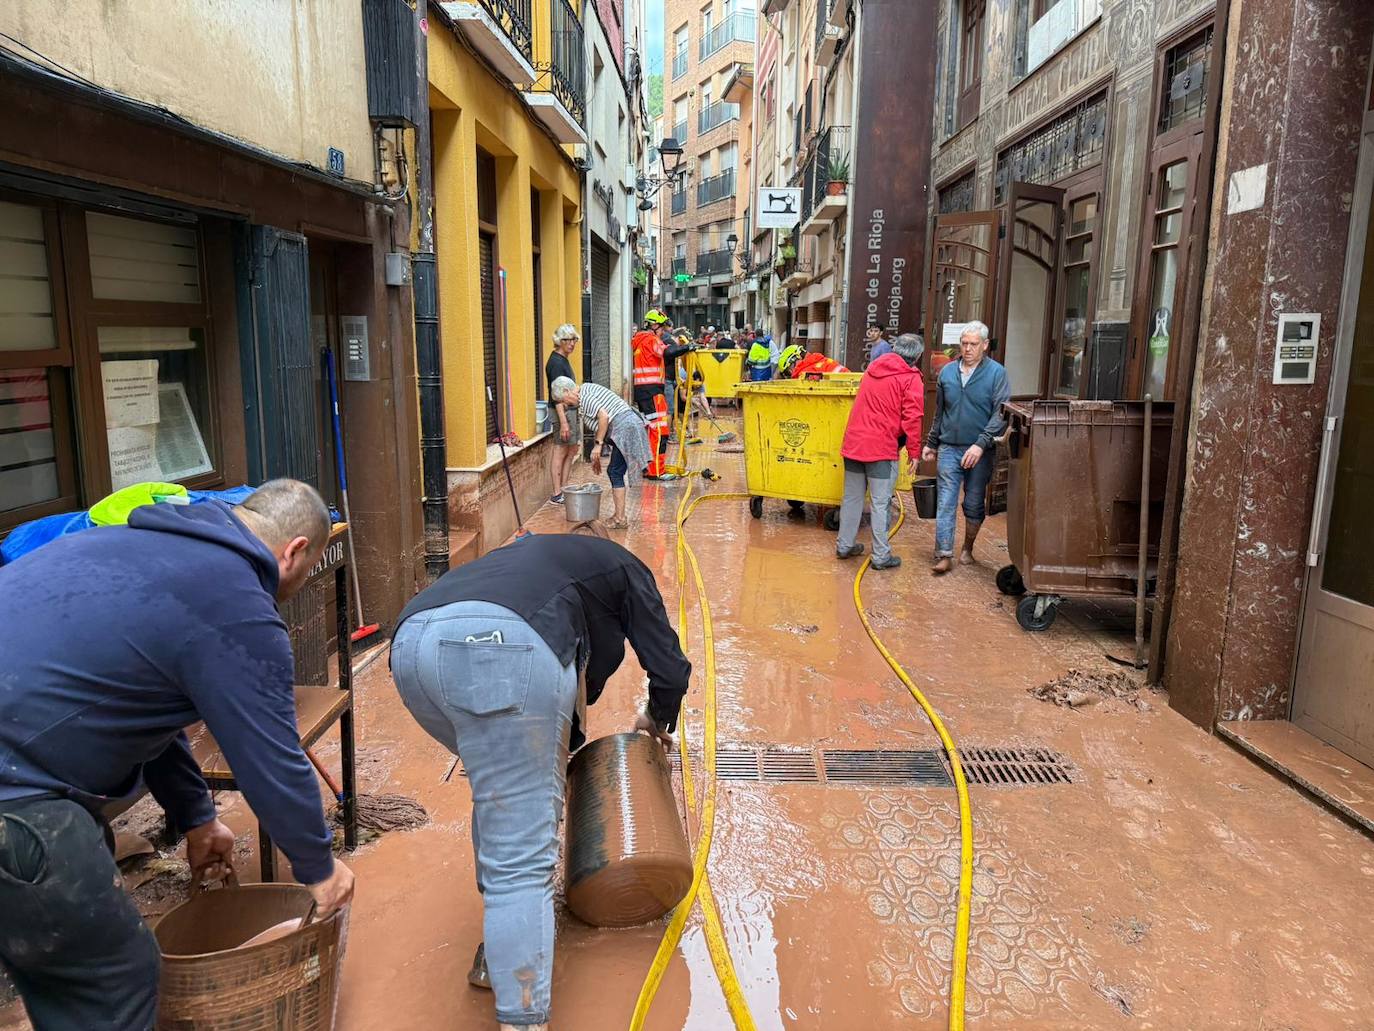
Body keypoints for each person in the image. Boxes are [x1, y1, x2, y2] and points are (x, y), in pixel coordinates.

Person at [0, 479, 356, 1029]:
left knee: (58, 956)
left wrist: (196, 817)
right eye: (306, 575)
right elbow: (270, 755)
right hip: (17, 796)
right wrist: (318, 866)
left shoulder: (137, 546)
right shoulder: (237, 603)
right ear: (295, 552)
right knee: (113, 981)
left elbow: (145, 703)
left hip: (27, 767)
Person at [390, 534, 691, 1031]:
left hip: (412, 649)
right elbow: (669, 666)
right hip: (496, 652)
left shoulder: (529, 561)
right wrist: (657, 719)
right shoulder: (629, 569)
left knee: (500, 796)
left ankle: (498, 956)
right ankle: (523, 1018)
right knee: (521, 858)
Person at [921, 320, 1012, 575]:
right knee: (946, 500)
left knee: (973, 503)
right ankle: (944, 554)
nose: (968, 348)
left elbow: (1000, 414)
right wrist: (932, 442)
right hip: (950, 446)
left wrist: (981, 444)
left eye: (973, 344)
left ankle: (968, 548)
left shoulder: (997, 373)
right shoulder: (947, 373)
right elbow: (940, 411)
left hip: (980, 451)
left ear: (984, 345)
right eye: (964, 343)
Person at [836, 334, 925, 570]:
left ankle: (844, 545)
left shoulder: (873, 369)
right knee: (880, 502)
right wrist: (914, 453)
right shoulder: (910, 378)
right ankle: (881, 556)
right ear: (916, 357)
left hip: (854, 443)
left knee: (852, 498)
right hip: (881, 448)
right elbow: (913, 418)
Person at [550, 376, 651, 531]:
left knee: (615, 472)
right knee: (615, 470)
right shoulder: (585, 392)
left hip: (626, 427)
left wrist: (597, 446)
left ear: (567, 391)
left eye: (563, 401)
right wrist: (599, 450)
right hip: (627, 426)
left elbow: (604, 416)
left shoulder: (584, 397)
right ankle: (619, 516)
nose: (565, 406)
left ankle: (620, 518)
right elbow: (603, 423)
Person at [630, 309, 674, 480]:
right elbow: (666, 352)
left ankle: (647, 467)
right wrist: (687, 348)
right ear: (654, 325)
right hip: (653, 391)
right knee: (659, 430)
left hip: (642, 392)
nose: (663, 331)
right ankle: (656, 470)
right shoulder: (651, 339)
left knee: (649, 429)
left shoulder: (639, 340)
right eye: (661, 327)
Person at [545, 323, 581, 504]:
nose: (572, 343)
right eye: (567, 340)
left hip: (569, 411)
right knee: (560, 450)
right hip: (562, 412)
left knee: (572, 449)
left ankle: (564, 488)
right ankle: (557, 492)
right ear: (559, 341)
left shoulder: (562, 359)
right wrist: (564, 423)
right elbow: (557, 395)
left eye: (574, 339)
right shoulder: (556, 363)